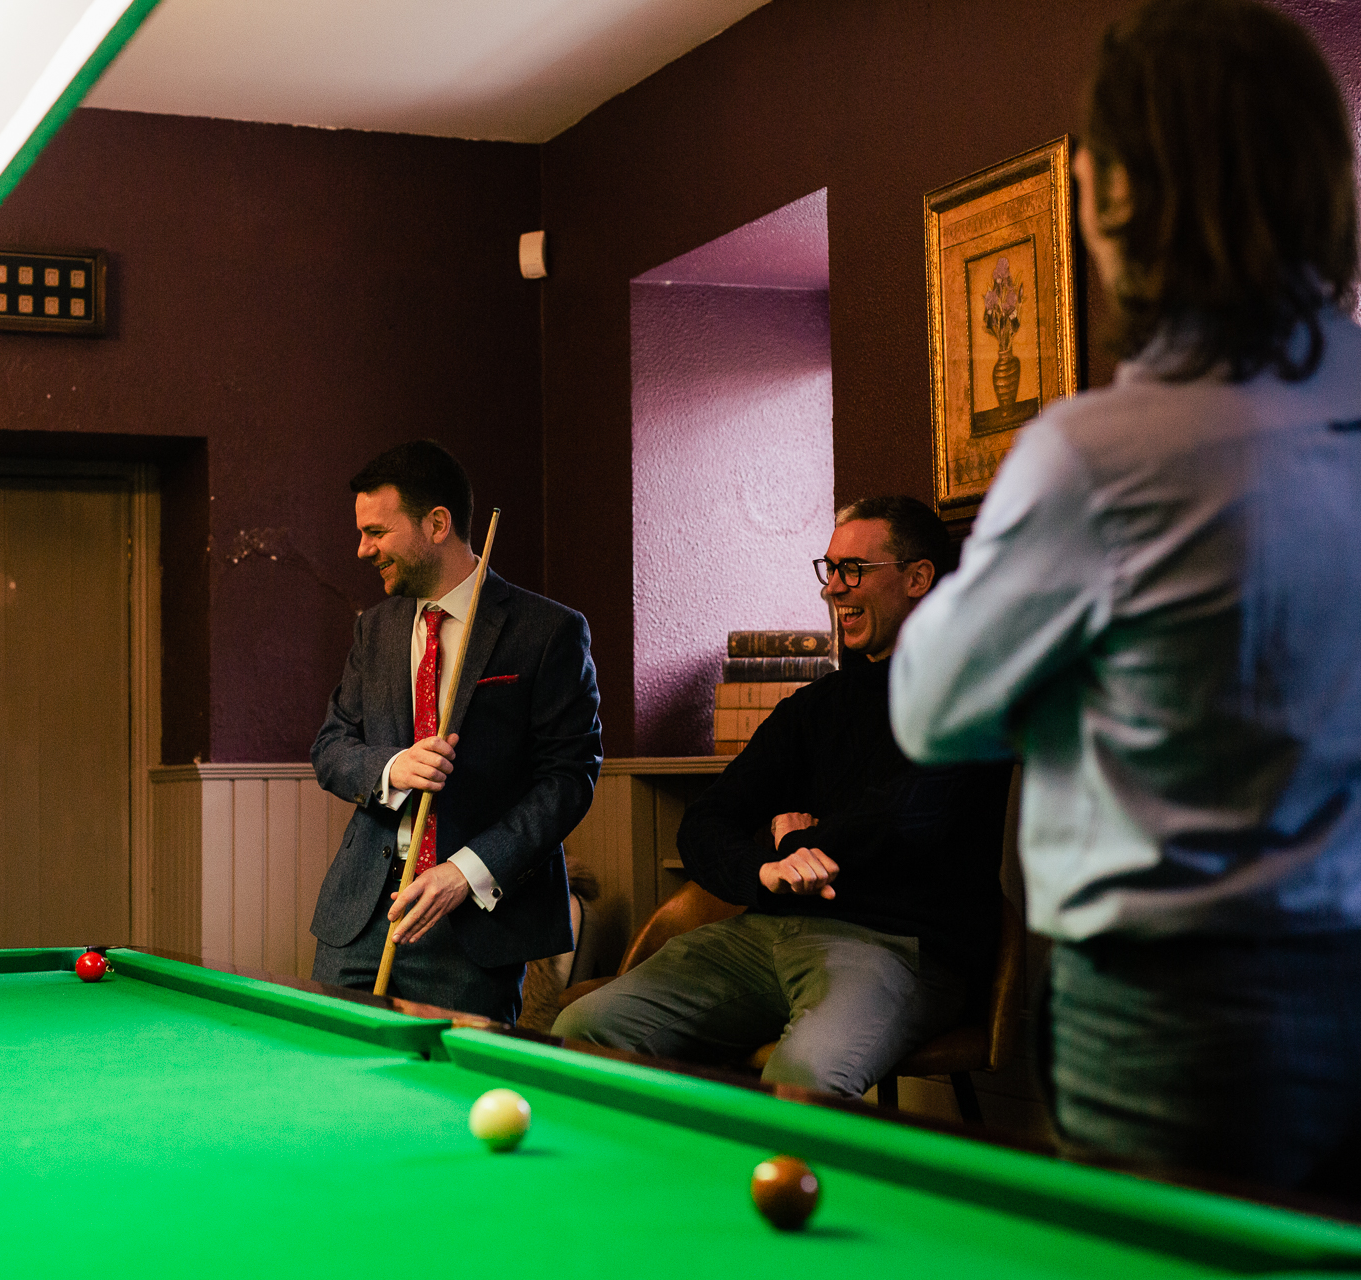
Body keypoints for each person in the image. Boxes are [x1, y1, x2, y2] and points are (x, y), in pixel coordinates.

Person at [889, 0, 1361, 1217]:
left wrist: (1087, 672)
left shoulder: (1099, 454)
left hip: (1177, 1028)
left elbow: (929, 710)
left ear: (1119, 196)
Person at [554, 498, 1012, 1097]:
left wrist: (793, 836)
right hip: (765, 934)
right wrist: (764, 868)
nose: (834, 591)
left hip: (897, 948)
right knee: (581, 1029)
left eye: (854, 571)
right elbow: (705, 823)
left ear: (918, 578)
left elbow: (903, 822)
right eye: (829, 569)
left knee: (805, 1078)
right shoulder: (816, 708)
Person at [309, 440, 601, 1023]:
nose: (361, 549)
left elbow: (569, 779)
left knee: (450, 1099)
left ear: (437, 523)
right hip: (361, 916)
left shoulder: (548, 631)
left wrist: (464, 873)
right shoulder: (376, 628)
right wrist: (393, 768)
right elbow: (331, 748)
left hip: (473, 928)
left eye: (376, 533)